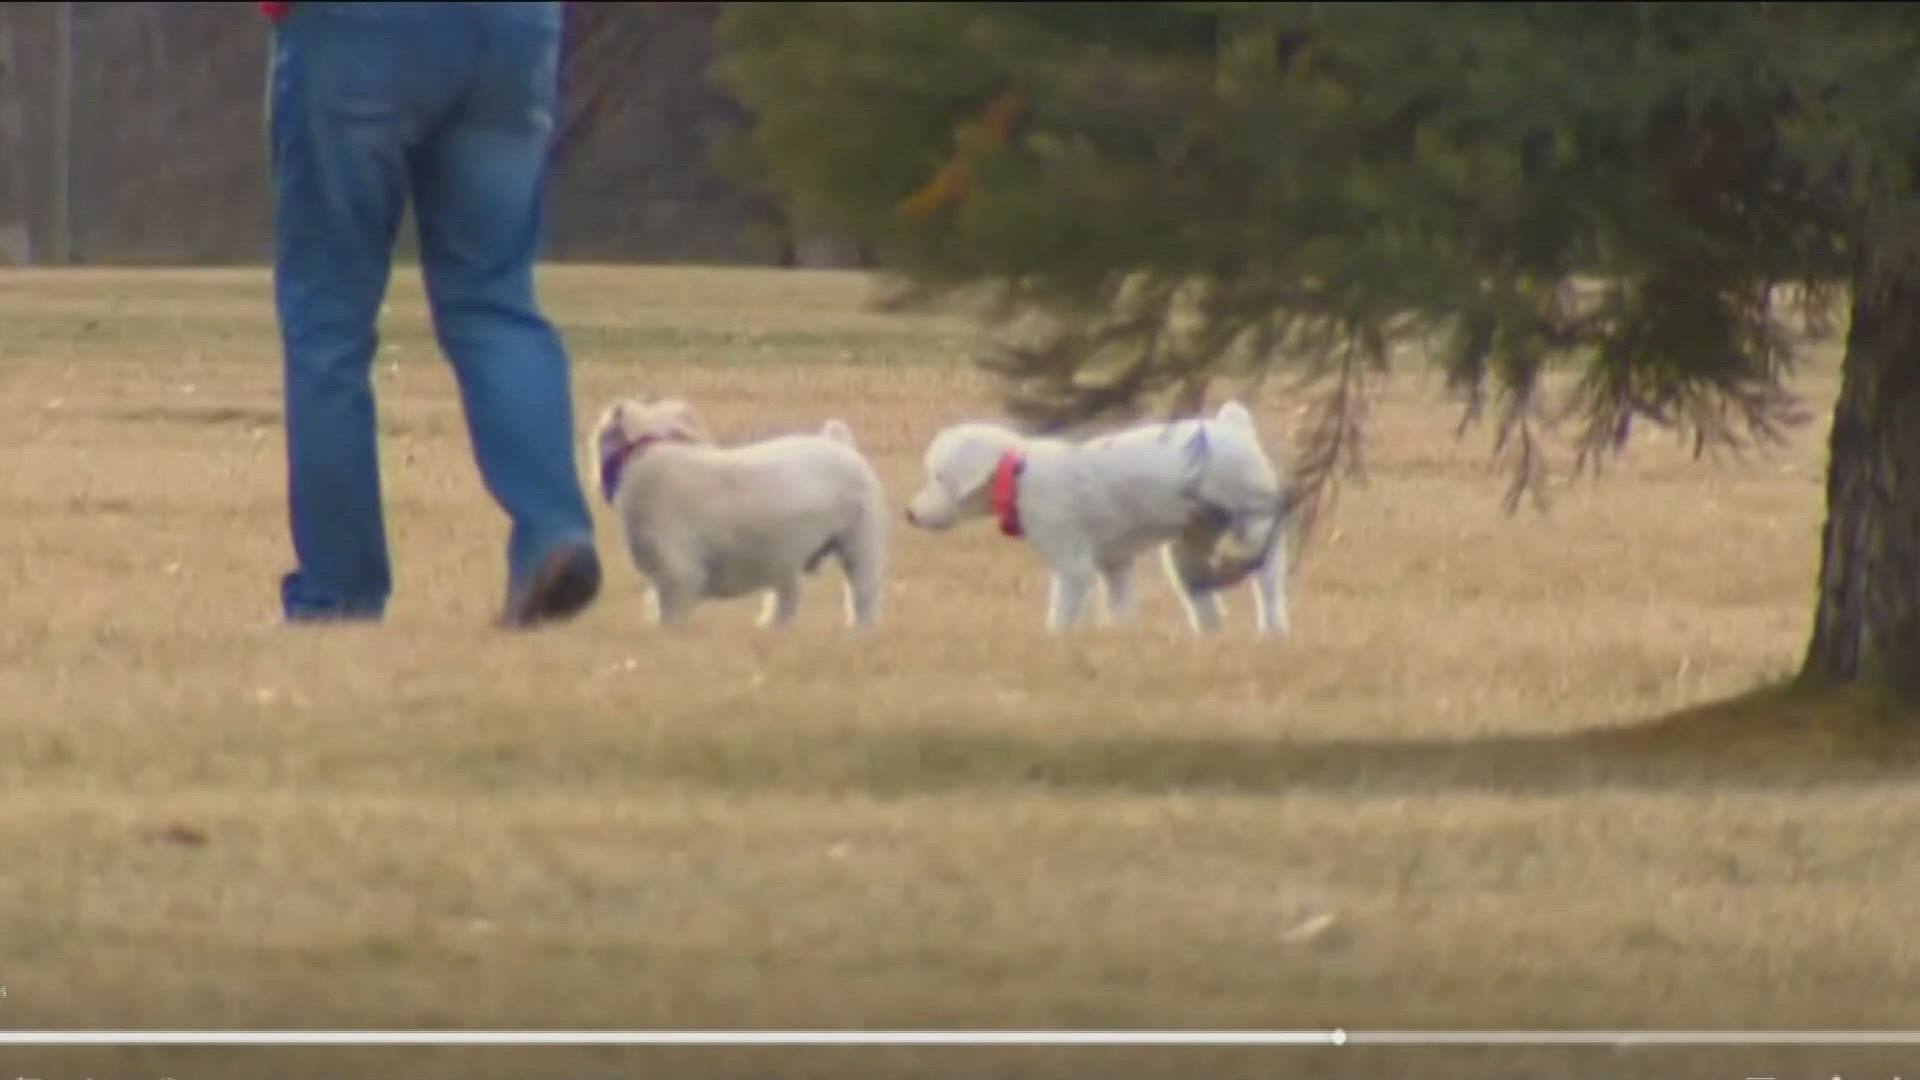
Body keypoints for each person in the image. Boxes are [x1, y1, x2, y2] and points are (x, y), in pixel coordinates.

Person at [261, 0, 601, 628]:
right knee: (495, 300)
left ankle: (339, 592)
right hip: (511, 26)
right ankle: (553, 530)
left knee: (328, 319)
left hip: (354, 30)